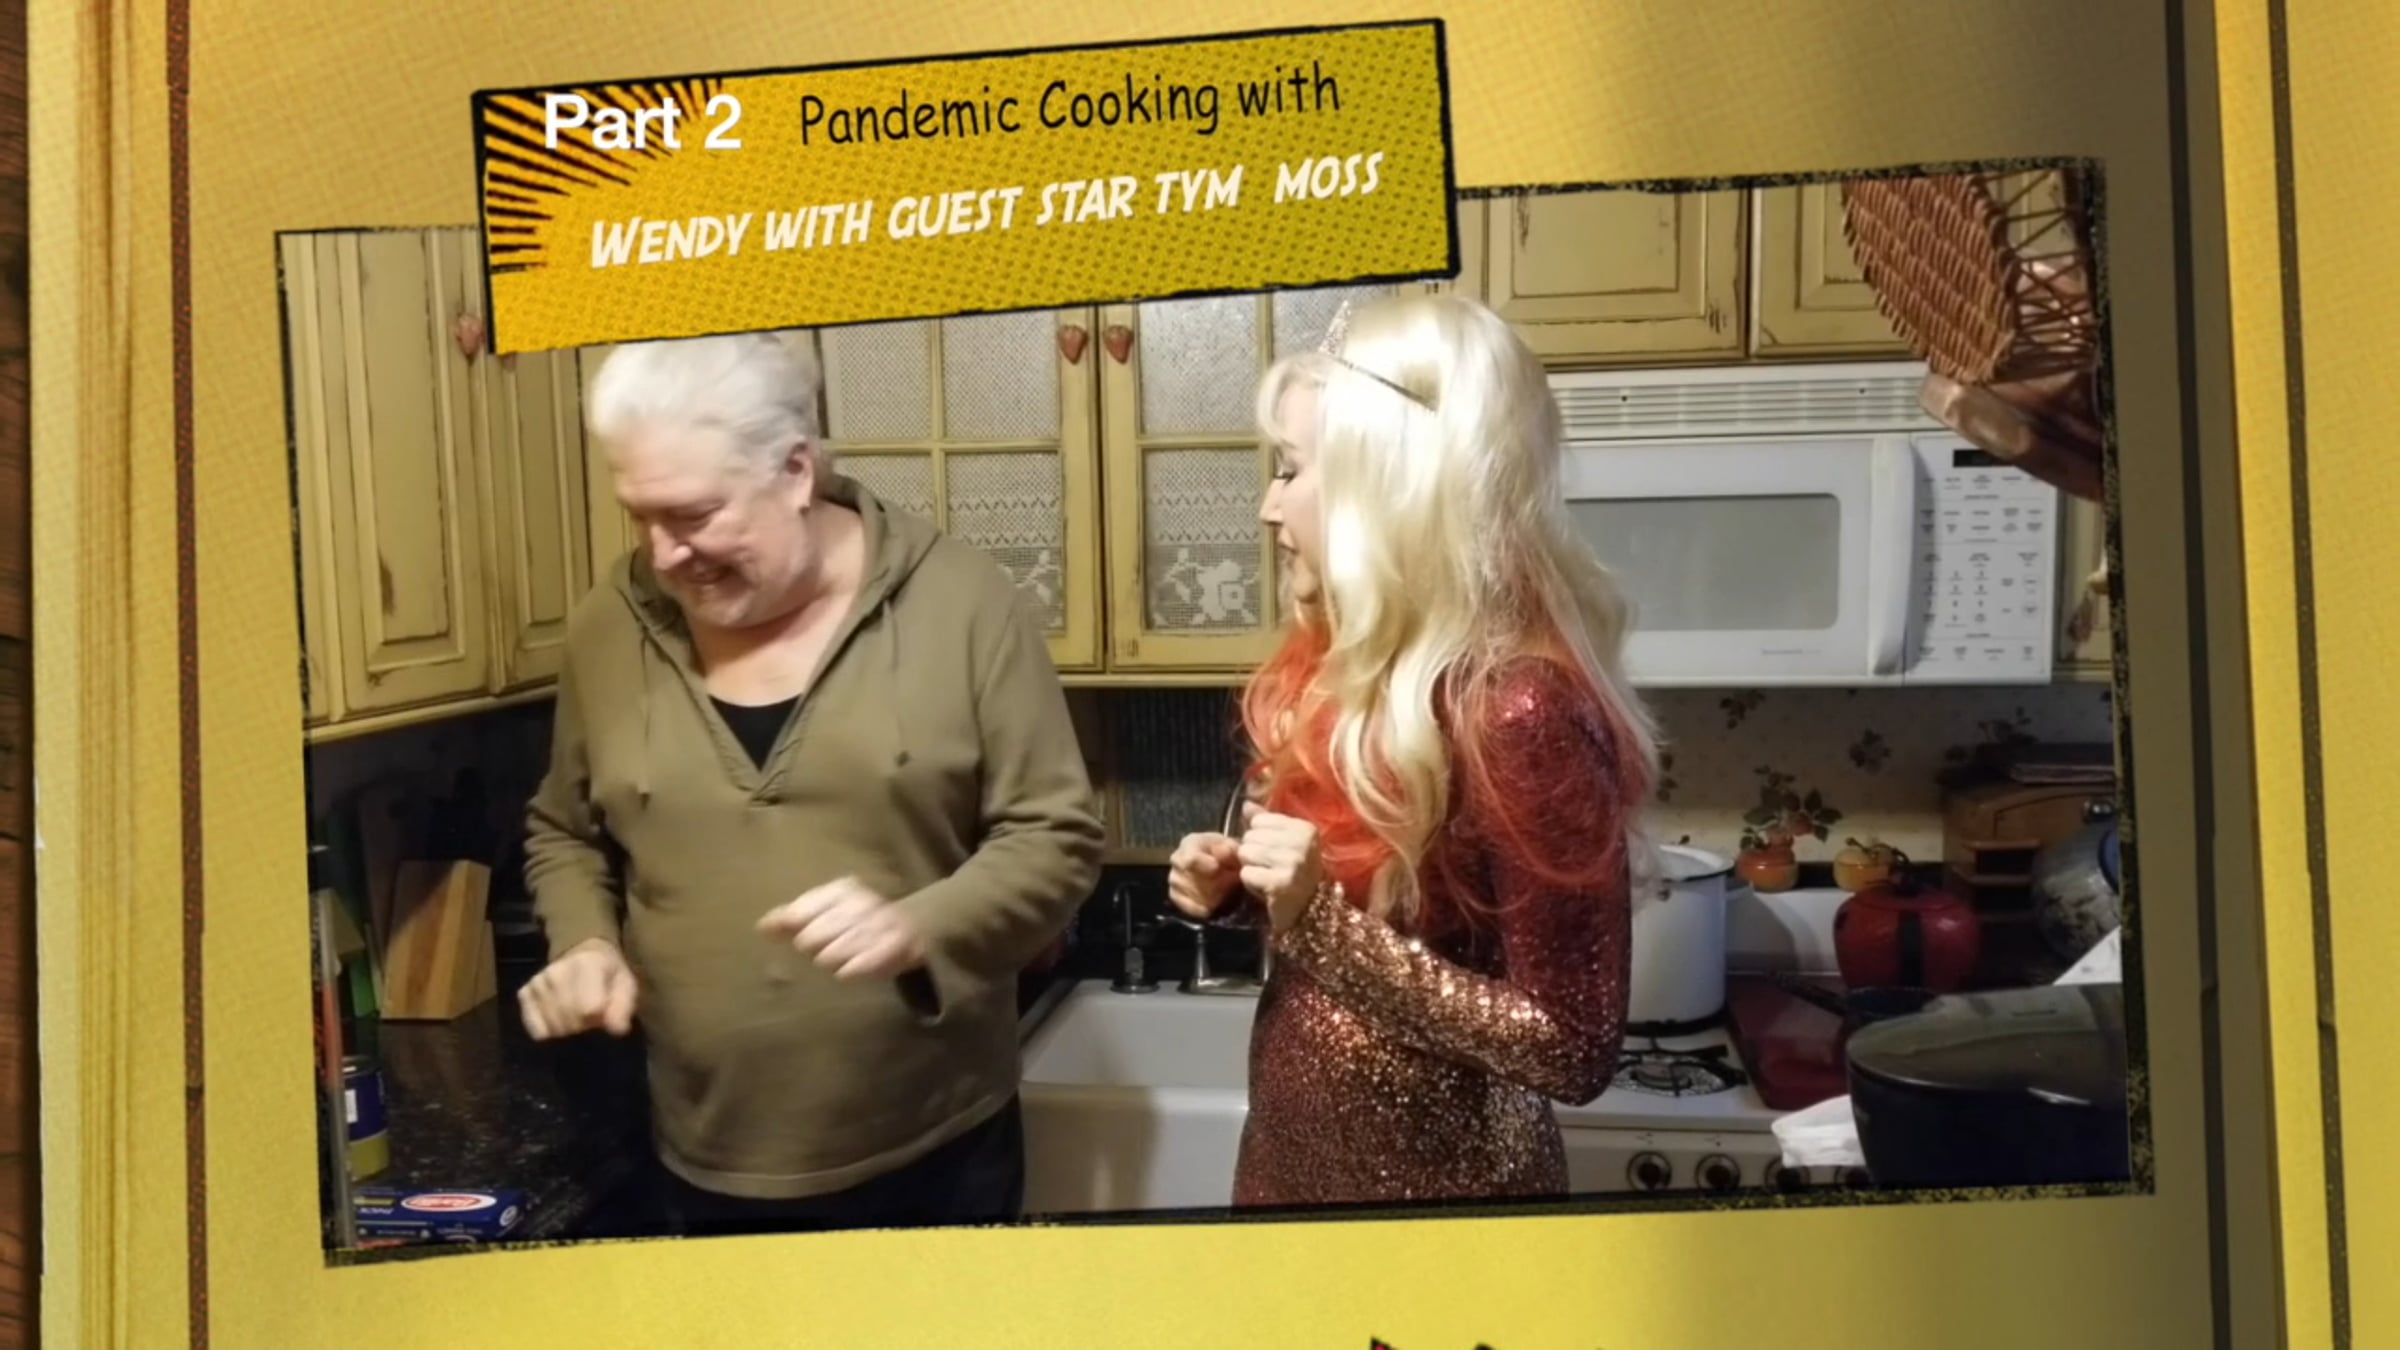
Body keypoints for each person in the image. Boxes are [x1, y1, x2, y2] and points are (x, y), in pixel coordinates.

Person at [516, 330, 1103, 1237]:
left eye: (694, 514)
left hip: (938, 1152)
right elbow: (564, 831)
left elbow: (1056, 836)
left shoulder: (960, 602)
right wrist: (583, 942)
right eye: (641, 517)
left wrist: (920, 924)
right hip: (700, 1154)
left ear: (796, 471)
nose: (664, 554)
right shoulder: (609, 625)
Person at [1165, 292, 1659, 1207]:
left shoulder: (1522, 709)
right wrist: (1245, 896)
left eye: (1291, 469)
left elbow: (1572, 1046)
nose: (1269, 505)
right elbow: (1391, 937)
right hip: (1288, 1182)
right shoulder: (1356, 671)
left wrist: (1316, 920)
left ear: (1388, 486)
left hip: (1442, 1219)